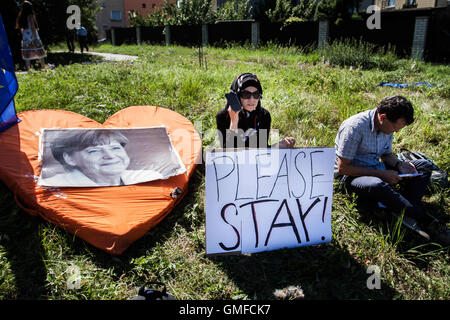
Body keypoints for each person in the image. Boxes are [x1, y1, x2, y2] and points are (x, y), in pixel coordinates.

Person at [334, 95, 450, 245]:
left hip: (378, 169)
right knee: (376, 185)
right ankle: (425, 219)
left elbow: (386, 154)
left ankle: (399, 209)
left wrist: (399, 164)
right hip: (353, 177)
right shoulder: (354, 127)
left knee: (423, 166)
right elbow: (344, 168)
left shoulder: (385, 126)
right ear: (383, 117)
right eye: (395, 127)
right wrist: (382, 174)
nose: (396, 132)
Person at [40, 130, 164, 187]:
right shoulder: (54, 186)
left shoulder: (149, 177)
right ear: (69, 159)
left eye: (115, 148)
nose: (110, 156)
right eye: (94, 151)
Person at [216, 73, 296, 149]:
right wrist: (233, 122)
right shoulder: (223, 116)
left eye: (256, 94)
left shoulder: (264, 115)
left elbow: (262, 149)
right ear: (237, 97)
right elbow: (227, 153)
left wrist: (279, 145)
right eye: (246, 94)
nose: (252, 100)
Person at [15, 1, 46, 71]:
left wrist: (24, 35)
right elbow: (32, 26)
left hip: (25, 35)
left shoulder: (21, 16)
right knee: (39, 50)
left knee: (27, 52)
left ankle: (28, 68)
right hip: (32, 34)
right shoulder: (31, 15)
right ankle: (43, 66)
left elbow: (21, 28)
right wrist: (35, 37)